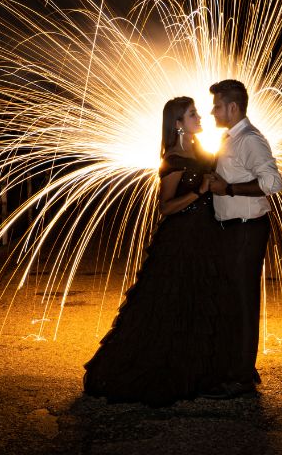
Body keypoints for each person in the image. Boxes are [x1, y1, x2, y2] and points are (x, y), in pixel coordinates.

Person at [82, 96, 237, 408]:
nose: (200, 116)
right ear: (178, 123)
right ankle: (172, 369)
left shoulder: (201, 151)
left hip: (207, 237)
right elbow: (164, 207)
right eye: (193, 114)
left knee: (202, 300)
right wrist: (198, 191)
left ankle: (206, 369)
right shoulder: (174, 161)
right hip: (181, 240)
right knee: (172, 303)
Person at [203, 79, 282, 399]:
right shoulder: (231, 139)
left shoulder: (249, 140)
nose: (212, 111)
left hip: (247, 228)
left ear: (233, 108)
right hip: (236, 228)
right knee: (235, 299)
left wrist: (228, 189)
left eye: (218, 106)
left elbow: (272, 183)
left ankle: (240, 380)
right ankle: (241, 367)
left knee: (242, 301)